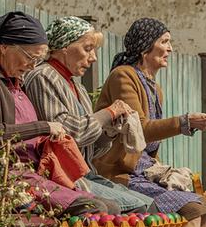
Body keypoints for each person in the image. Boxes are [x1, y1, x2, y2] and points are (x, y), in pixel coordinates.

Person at [0, 11, 114, 216]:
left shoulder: (15, 79)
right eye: (30, 57)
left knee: (111, 208)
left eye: (37, 60)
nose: (32, 66)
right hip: (0, 178)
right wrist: (45, 126)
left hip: (33, 175)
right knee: (94, 209)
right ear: (5, 47)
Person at [93, 17, 206, 227]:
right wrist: (185, 122)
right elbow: (139, 128)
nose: (170, 49)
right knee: (192, 213)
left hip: (145, 172)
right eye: (164, 42)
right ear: (145, 47)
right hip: (123, 174)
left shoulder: (154, 87)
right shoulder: (124, 76)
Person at [23, 16, 156, 214]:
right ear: (64, 47)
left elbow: (90, 151)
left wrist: (110, 131)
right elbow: (65, 134)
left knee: (150, 204)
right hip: (63, 178)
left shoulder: (77, 86)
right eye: (87, 48)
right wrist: (107, 113)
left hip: (85, 174)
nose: (93, 57)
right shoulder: (44, 77)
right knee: (140, 209)